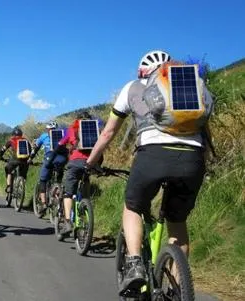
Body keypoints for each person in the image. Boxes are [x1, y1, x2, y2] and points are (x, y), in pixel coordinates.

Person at [85, 50, 213, 295]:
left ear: (143, 72)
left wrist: (91, 162)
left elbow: (108, 133)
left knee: (132, 206)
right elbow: (205, 133)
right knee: (177, 223)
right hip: (192, 159)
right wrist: (202, 163)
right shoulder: (193, 90)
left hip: (153, 155)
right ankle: (177, 289)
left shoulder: (132, 88)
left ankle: (134, 265)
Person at [51, 110, 100, 236]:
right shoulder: (95, 129)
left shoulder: (71, 129)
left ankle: (67, 222)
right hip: (91, 162)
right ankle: (84, 210)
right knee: (85, 185)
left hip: (75, 163)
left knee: (68, 193)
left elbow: (60, 144)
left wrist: (54, 155)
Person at [28, 121, 68, 215]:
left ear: (47, 129)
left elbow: (36, 148)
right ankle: (58, 193)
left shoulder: (44, 136)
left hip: (49, 159)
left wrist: (30, 158)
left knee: (43, 180)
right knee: (59, 178)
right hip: (62, 159)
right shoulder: (62, 134)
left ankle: (44, 204)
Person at [0, 127, 32, 206]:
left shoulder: (11, 140)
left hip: (14, 160)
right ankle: (21, 185)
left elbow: (3, 149)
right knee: (23, 175)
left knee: (8, 170)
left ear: (13, 134)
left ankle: (9, 186)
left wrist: (0, 157)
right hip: (24, 161)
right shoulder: (26, 141)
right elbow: (30, 151)